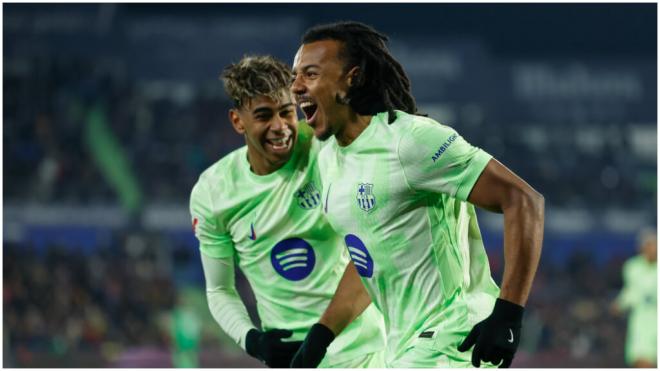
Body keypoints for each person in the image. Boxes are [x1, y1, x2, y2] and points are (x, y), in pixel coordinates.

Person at [290, 21, 545, 368]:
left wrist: (509, 314)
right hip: (403, 348)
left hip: (453, 338)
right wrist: (321, 335)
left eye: (310, 74)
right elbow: (372, 258)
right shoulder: (329, 161)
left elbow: (523, 201)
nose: (296, 87)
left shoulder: (409, 140)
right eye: (294, 77)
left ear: (351, 78)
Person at [189, 55, 386, 368]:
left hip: (364, 353)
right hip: (290, 360)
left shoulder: (326, 148)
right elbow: (219, 288)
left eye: (286, 112)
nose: (280, 127)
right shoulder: (214, 192)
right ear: (238, 121)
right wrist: (251, 339)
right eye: (264, 116)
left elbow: (373, 249)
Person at [611, 229, 657, 367]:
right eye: (649, 245)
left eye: (655, 245)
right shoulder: (633, 267)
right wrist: (620, 304)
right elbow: (631, 291)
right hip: (642, 320)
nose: (652, 249)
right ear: (642, 248)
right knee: (641, 360)